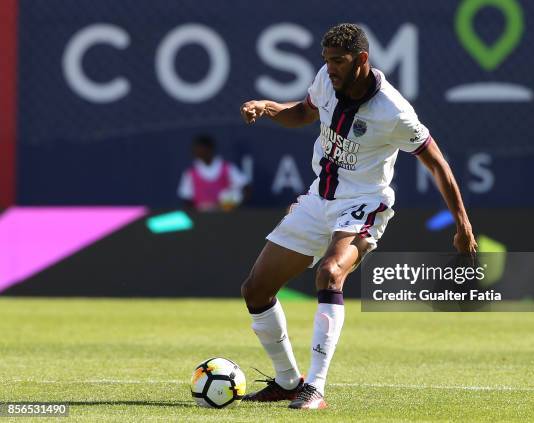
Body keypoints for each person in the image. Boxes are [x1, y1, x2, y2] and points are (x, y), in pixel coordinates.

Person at [239, 23, 477, 410]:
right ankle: (286, 381)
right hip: (320, 198)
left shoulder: (394, 111)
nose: (329, 68)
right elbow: (302, 113)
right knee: (256, 290)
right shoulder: (326, 80)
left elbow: (437, 164)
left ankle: (314, 387)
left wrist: (463, 224)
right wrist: (270, 108)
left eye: (338, 61)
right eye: (326, 61)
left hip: (364, 203)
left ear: (361, 60)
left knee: (330, 273)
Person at [177, 135, 249, 211]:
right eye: (195, 148)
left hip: (225, 218)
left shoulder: (227, 168)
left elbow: (246, 188)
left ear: (209, 149)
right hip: (201, 219)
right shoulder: (190, 173)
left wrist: (234, 204)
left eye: (199, 148)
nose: (196, 151)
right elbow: (187, 199)